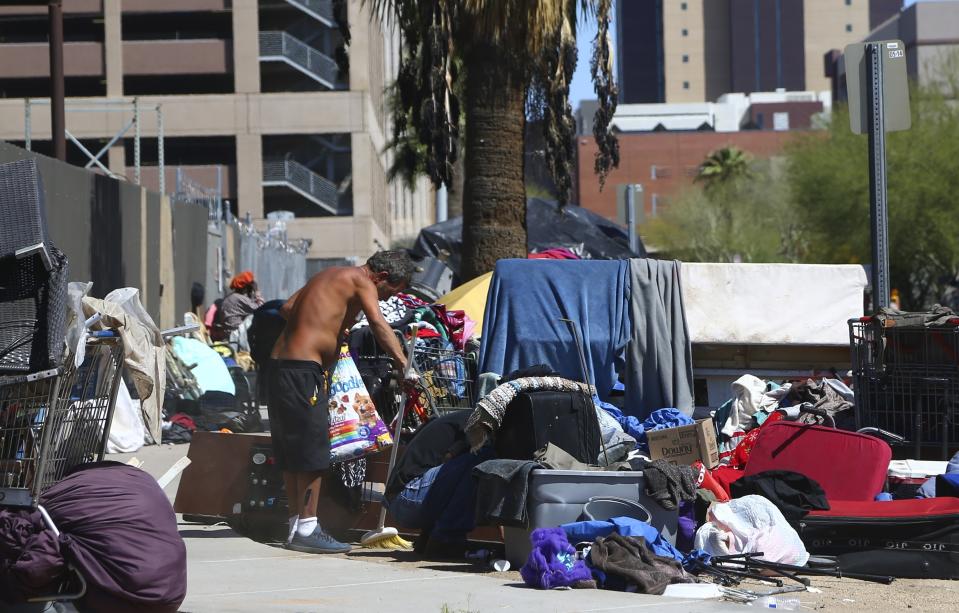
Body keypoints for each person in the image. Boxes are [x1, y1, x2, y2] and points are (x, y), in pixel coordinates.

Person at [268, 250, 415, 554]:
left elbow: (287, 308)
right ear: (382, 277)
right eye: (389, 292)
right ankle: (309, 528)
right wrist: (404, 364)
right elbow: (377, 323)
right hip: (303, 371)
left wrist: (329, 325)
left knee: (293, 449)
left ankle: (296, 525)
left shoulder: (328, 275)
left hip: (280, 367)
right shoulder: (362, 281)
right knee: (313, 448)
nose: (385, 298)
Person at [384, 411, 493, 558]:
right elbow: (449, 457)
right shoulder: (474, 422)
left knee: (465, 466)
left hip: (402, 499)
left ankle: (429, 537)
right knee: (479, 461)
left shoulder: (458, 419)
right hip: (408, 497)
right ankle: (446, 539)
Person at [214, 271, 264, 341]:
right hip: (237, 337)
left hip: (228, 336)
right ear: (246, 288)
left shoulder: (230, 297)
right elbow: (261, 309)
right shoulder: (240, 299)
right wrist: (257, 294)